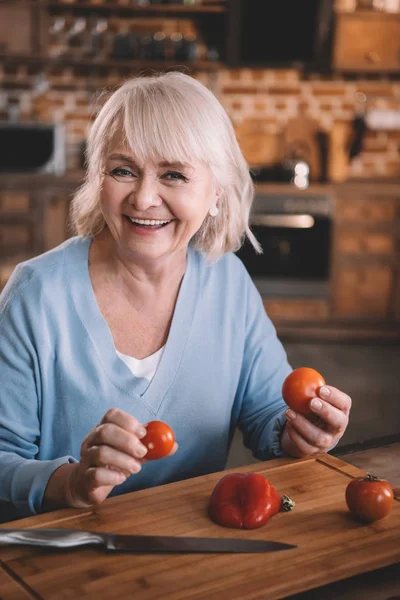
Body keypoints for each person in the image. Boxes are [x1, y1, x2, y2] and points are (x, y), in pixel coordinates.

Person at [0, 72, 351, 522]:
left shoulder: (229, 284)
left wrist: (305, 431)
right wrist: (72, 483)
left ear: (215, 193)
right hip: (67, 561)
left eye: (174, 174)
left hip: (193, 556)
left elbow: (270, 416)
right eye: (123, 170)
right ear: (98, 178)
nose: (144, 198)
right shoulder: (35, 296)